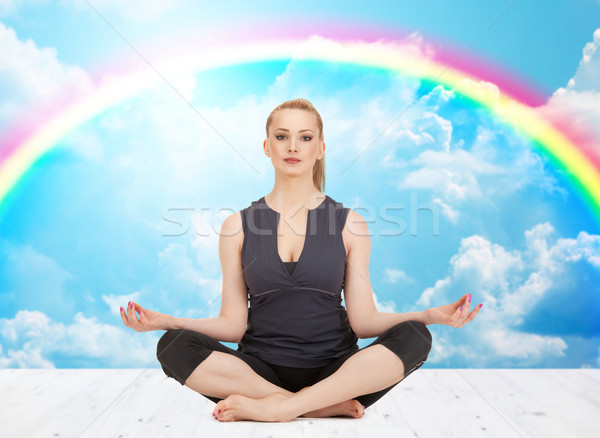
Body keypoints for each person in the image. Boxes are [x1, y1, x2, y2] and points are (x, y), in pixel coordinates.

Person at [120, 98, 482, 423]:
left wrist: (431, 316)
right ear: (266, 146)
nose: (293, 146)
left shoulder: (350, 224)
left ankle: (282, 407)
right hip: (257, 373)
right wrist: (166, 321)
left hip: (338, 372)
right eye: (282, 137)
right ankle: (310, 405)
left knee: (417, 335)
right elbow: (233, 326)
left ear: (320, 148)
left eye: (305, 138)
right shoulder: (237, 227)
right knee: (172, 344)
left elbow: (364, 321)